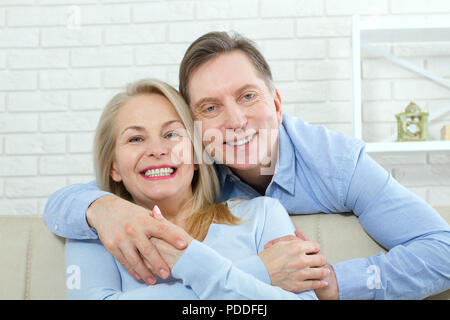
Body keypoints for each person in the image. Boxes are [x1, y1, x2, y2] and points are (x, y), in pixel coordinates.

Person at [44, 32, 450, 300]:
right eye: (210, 107)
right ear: (194, 125)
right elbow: (85, 195)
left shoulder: (335, 163)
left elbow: (444, 251)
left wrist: (326, 282)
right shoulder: (184, 167)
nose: (235, 121)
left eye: (248, 97)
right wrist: (99, 208)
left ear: (276, 103)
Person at [65, 78, 318, 299]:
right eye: (136, 138)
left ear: (197, 155)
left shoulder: (262, 215)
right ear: (114, 167)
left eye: (172, 134)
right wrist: (259, 272)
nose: (157, 149)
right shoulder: (97, 233)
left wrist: (193, 266)